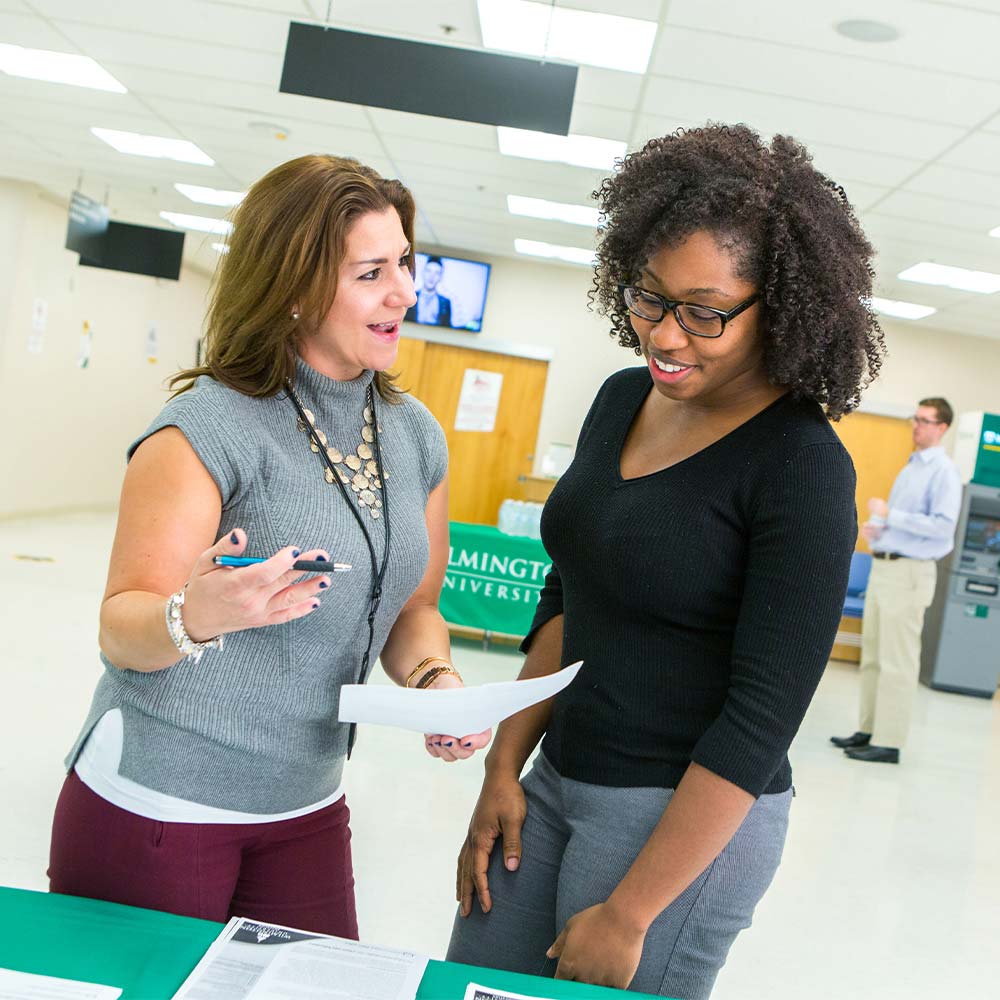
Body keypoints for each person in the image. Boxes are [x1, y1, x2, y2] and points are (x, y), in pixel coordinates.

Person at [446, 124, 881, 999]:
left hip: (679, 820)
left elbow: (765, 715)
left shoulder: (802, 465)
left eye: (706, 311)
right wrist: (504, 765)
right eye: (649, 297)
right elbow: (569, 596)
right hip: (557, 776)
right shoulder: (620, 398)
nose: (667, 335)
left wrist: (634, 911)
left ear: (782, 306)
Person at [48, 154, 490, 936]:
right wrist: (199, 614)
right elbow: (122, 627)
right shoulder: (207, 429)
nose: (404, 292)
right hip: (159, 797)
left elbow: (415, 604)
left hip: (307, 801)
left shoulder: (416, 437)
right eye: (371, 273)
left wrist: (435, 680)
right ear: (294, 287)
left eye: (405, 263)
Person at [831, 397, 961, 764]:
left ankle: (889, 742)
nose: (916, 426)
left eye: (924, 420)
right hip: (886, 567)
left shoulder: (943, 472)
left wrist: (893, 515)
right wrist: (882, 529)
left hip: (910, 574)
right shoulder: (912, 466)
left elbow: (942, 527)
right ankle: (869, 729)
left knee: (897, 660)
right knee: (872, 655)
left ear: (943, 428)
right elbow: (905, 523)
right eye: (915, 419)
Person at [406, 254, 452, 326]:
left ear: (440, 277)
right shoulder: (409, 297)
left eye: (436, 273)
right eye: (428, 271)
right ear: (423, 273)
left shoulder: (445, 303)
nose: (432, 276)